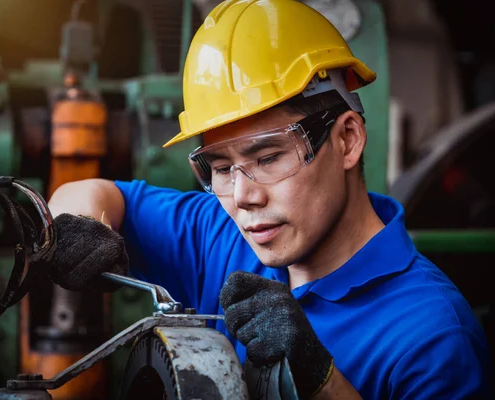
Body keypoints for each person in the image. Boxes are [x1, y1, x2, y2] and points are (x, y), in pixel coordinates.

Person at [43, 0, 493, 398]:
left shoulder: (433, 338)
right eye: (220, 168)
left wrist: (320, 381)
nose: (243, 197)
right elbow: (87, 192)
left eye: (269, 157)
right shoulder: (220, 236)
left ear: (348, 140)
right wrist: (78, 225)